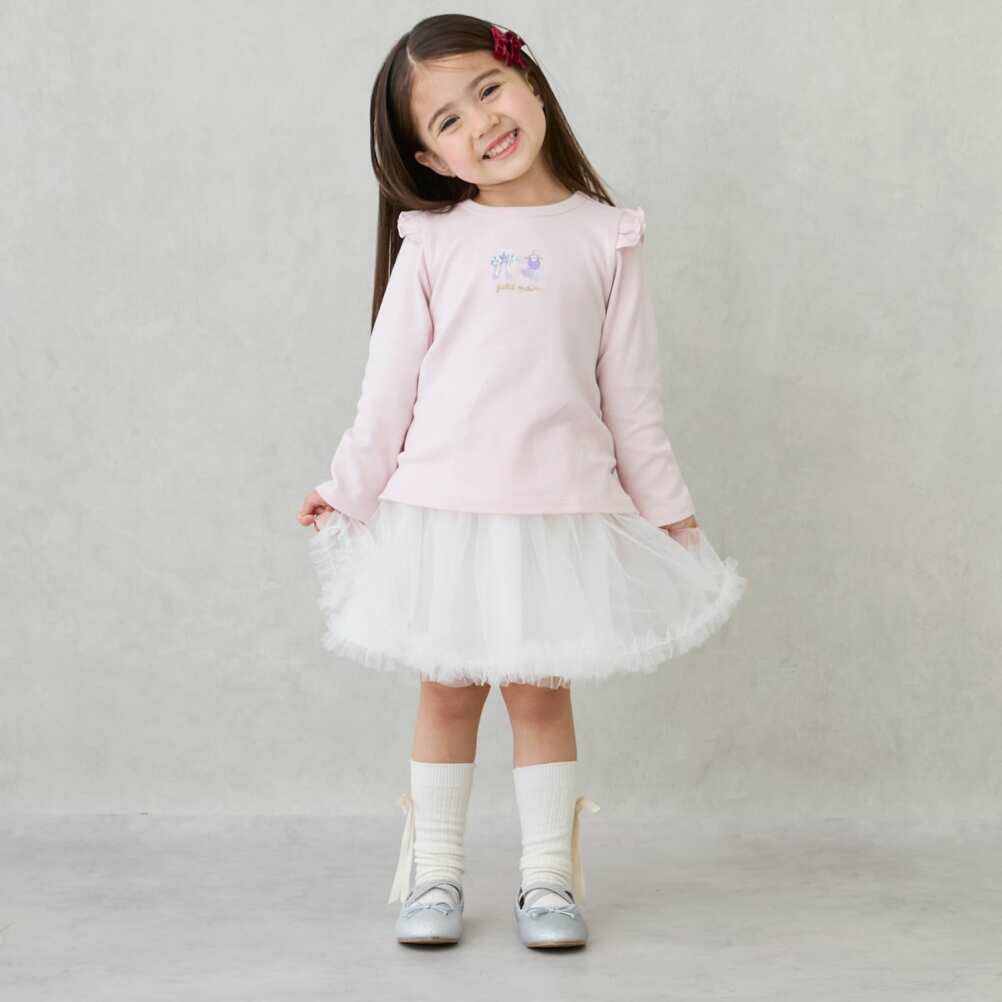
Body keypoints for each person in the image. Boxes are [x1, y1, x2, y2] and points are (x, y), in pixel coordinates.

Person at [296, 14, 748, 948]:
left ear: (530, 83)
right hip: (445, 512)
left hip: (555, 512)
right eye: (449, 121)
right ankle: (435, 873)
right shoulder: (433, 244)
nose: (483, 123)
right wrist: (348, 486)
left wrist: (669, 511)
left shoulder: (607, 237)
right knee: (448, 691)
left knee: (540, 694)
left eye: (488, 90)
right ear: (431, 159)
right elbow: (387, 390)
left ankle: (548, 880)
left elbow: (633, 399)